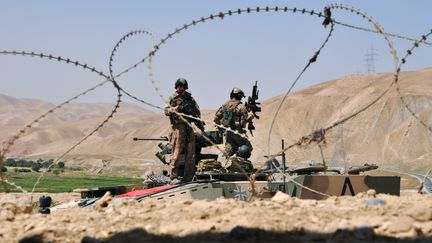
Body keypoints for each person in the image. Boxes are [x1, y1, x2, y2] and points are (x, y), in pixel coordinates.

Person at [165, 78, 203, 182]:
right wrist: (174, 109)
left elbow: (196, 111)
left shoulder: (190, 98)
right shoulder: (173, 98)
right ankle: (173, 176)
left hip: (189, 126)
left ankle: (188, 176)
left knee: (191, 153)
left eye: (181, 86)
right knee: (176, 152)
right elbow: (166, 111)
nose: (179, 88)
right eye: (178, 86)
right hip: (178, 127)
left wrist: (199, 122)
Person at [214, 87, 253, 159]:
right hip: (238, 133)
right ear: (239, 96)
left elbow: (216, 119)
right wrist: (252, 115)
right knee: (247, 149)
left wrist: (220, 128)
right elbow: (247, 118)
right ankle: (240, 164)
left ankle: (225, 166)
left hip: (228, 133)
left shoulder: (224, 105)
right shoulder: (241, 106)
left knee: (229, 152)